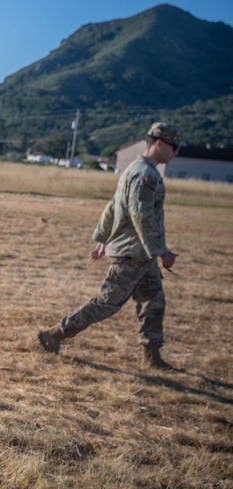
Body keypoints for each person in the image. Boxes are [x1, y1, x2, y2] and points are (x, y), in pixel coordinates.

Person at [37, 122, 185, 369]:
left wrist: (103, 238)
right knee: (106, 304)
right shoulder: (145, 175)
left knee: (153, 301)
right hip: (132, 254)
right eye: (175, 147)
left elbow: (113, 207)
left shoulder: (135, 170)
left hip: (140, 255)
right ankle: (54, 334)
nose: (176, 153)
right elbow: (141, 216)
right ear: (159, 144)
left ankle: (152, 356)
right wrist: (161, 251)